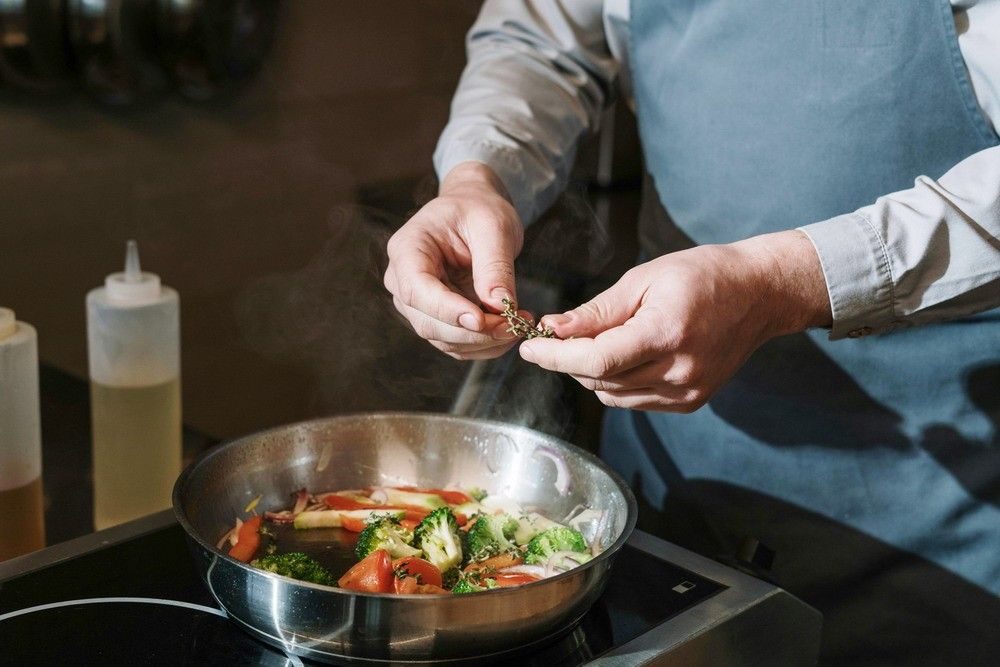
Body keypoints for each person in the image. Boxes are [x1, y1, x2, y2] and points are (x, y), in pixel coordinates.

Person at [384, 1, 1000, 663]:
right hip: (669, 476)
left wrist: (780, 282)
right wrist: (477, 176)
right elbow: (538, 37)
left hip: (935, 501)